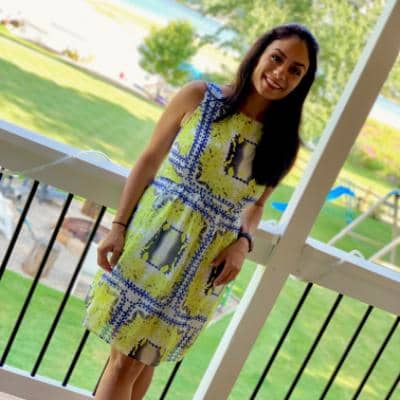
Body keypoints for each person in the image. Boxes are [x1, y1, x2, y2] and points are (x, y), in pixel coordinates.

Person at [83, 22, 319, 400]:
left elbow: (256, 206)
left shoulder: (282, 143)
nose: (281, 73)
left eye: (295, 70)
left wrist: (243, 243)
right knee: (125, 361)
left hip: (204, 263)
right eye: (276, 59)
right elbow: (149, 160)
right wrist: (118, 225)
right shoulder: (199, 97)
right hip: (155, 239)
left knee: (145, 358)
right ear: (258, 54)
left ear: (302, 82)